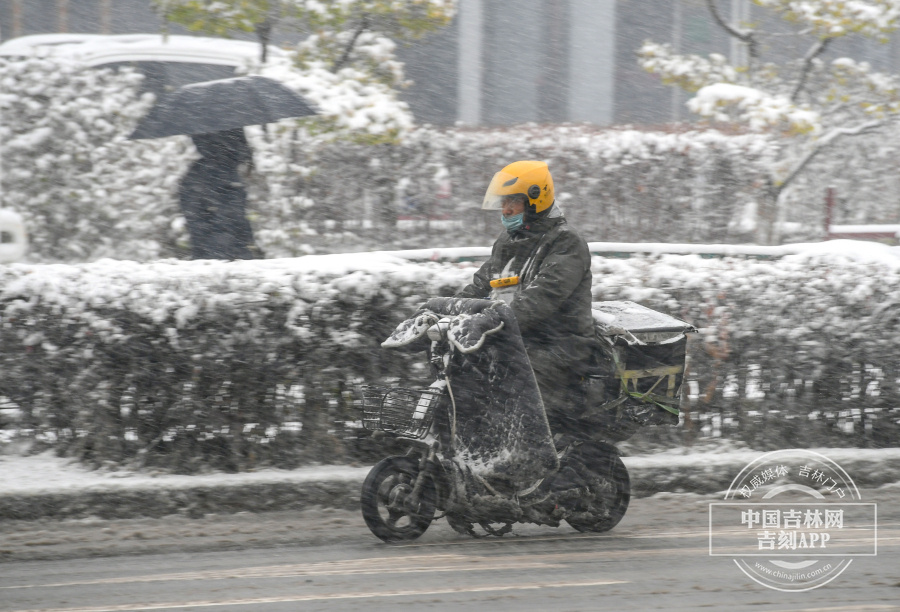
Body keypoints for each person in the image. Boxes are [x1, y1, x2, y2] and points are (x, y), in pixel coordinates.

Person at [456, 160, 600, 435]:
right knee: (463, 375)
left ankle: (525, 457)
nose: (506, 209)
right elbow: (481, 285)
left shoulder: (566, 243)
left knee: (513, 387)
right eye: (503, 202)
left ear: (536, 200)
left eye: (514, 202)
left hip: (558, 344)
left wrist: (492, 319)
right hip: (516, 339)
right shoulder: (509, 241)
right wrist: (444, 311)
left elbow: (542, 296)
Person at [178, 128, 261, 260]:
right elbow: (231, 221)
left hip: (206, 257)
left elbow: (196, 221)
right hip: (225, 259)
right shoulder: (223, 174)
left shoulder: (198, 172)